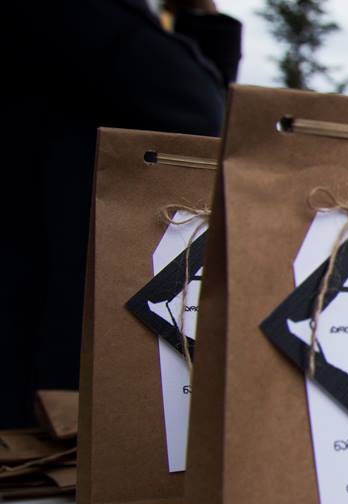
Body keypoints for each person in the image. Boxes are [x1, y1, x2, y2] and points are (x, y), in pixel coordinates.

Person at [3, 0, 241, 428]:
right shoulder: (84, 18)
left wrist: (201, 20)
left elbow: (209, 117)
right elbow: (200, 109)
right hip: (45, 312)